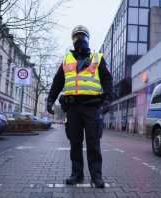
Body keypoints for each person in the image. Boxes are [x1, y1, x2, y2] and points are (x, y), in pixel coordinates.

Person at [46, 25, 113, 188]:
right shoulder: (66, 60)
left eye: (83, 36)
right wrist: (50, 100)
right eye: (77, 36)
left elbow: (107, 80)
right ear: (73, 40)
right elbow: (57, 82)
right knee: (75, 143)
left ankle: (96, 176)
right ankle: (77, 174)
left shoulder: (97, 58)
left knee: (93, 143)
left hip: (92, 107)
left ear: (88, 39)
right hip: (73, 108)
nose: (80, 39)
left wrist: (107, 100)